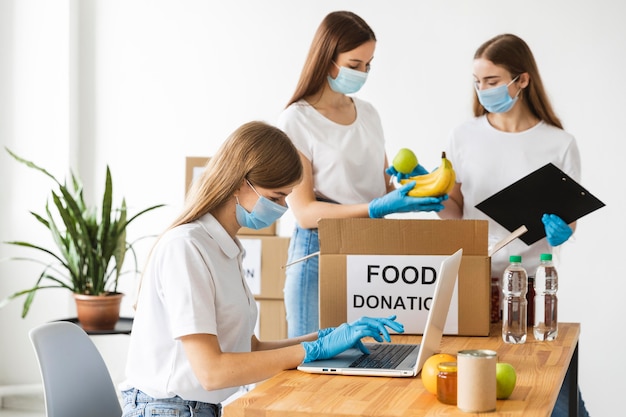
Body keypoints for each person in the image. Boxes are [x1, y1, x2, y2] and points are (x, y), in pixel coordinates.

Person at [119, 121, 404, 417]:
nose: (283, 208)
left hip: (198, 408)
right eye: (275, 197)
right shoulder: (186, 247)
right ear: (241, 183)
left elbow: (248, 350)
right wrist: (311, 352)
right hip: (167, 410)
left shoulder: (225, 247)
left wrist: (323, 338)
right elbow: (212, 372)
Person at [438, 33, 589, 417]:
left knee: (552, 396)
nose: (482, 89)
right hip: (473, 283)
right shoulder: (463, 136)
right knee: (477, 396)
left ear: (521, 80)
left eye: (492, 81)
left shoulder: (559, 143)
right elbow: (456, 210)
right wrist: (436, 201)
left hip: (533, 288)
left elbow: (568, 221)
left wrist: (563, 231)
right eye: (477, 81)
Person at [277, 10, 445, 338]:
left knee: (369, 357)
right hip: (318, 251)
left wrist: (411, 186)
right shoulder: (296, 120)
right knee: (314, 363)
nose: (363, 73)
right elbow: (305, 212)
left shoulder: (368, 114)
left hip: (370, 247)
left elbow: (382, 185)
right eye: (355, 65)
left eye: (368, 65)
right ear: (327, 59)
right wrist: (373, 209)